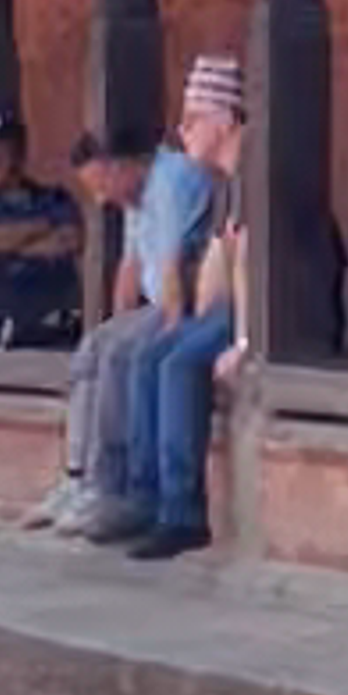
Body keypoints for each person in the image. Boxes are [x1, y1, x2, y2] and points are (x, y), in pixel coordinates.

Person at [26, 98, 226, 532]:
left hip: (187, 302)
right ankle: (77, 477)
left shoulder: (172, 180)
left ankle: (112, 487)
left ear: (120, 167)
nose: (98, 198)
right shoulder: (136, 198)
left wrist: (167, 332)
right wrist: (112, 325)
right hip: (157, 301)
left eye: (100, 184)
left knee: (124, 355)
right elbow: (131, 267)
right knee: (94, 347)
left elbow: (173, 265)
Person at [87, 59, 248, 562]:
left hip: (253, 314)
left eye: (191, 121)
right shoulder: (224, 183)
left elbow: (248, 265)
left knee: (177, 362)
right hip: (222, 307)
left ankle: (182, 512)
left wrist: (243, 341)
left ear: (221, 123)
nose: (182, 133)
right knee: (150, 356)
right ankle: (143, 496)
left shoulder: (252, 174)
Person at [0, 108, 86, 354]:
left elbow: (71, 240)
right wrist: (41, 227)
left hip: (47, 319)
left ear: (18, 157)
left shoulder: (51, 198)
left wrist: (3, 245)